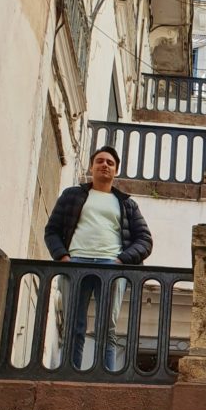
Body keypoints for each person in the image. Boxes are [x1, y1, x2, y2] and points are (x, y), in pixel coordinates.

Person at [44, 145, 152, 370]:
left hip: (111, 266)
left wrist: (121, 261)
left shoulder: (126, 203)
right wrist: (62, 257)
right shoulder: (72, 195)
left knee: (107, 328)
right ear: (91, 167)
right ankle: (69, 374)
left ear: (116, 171)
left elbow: (145, 241)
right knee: (74, 323)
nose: (105, 165)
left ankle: (106, 376)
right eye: (100, 161)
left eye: (110, 163)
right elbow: (52, 230)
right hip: (75, 263)